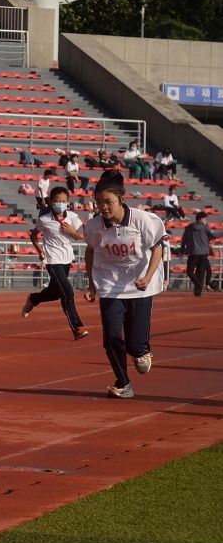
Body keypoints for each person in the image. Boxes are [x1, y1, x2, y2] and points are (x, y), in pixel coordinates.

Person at [83, 170, 167, 399]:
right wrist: (91, 285)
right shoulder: (93, 226)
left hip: (140, 284)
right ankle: (123, 382)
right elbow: (90, 251)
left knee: (135, 344)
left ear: (121, 199)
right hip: (110, 284)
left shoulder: (143, 220)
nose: (103, 207)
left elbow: (157, 248)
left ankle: (141, 350)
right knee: (110, 335)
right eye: (98, 202)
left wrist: (148, 277)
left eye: (108, 202)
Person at [22, 186, 90, 339]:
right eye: (58, 201)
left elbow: (82, 235)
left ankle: (34, 299)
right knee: (67, 291)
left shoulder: (72, 217)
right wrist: (40, 251)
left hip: (66, 259)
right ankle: (77, 327)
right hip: (52, 260)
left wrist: (74, 233)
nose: (61, 203)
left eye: (64, 201)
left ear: (68, 202)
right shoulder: (44, 219)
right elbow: (33, 236)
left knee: (55, 293)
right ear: (51, 202)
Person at [178, 212, 216, 297]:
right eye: (205, 218)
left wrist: (182, 251)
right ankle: (198, 290)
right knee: (201, 272)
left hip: (193, 252)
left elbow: (184, 240)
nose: (206, 220)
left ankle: (198, 288)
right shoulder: (205, 227)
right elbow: (213, 236)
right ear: (201, 218)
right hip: (203, 253)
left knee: (190, 271)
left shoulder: (189, 227)